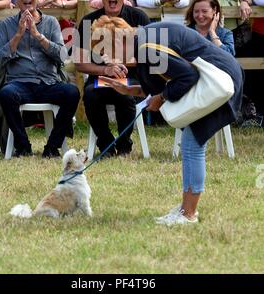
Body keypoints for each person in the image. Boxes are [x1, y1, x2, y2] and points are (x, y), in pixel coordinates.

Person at [98, 20, 243, 225]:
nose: (109, 59)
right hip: (214, 79)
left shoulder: (145, 48)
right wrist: (134, 90)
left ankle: (188, 214)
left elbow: (187, 76)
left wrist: (162, 97)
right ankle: (186, 207)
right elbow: (170, 78)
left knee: (192, 145)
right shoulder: (141, 45)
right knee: (190, 144)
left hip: (220, 81)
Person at [0, 0, 80, 158]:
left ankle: (52, 147)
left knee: (72, 92)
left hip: (48, 82)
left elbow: (62, 56)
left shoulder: (51, 22)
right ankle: (23, 146)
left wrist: (37, 34)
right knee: (6, 94)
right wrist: (18, 35)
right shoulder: (6, 25)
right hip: (20, 83)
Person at [74, 0, 150, 157]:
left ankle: (124, 144)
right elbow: (79, 62)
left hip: (131, 77)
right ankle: (106, 143)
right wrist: (106, 68)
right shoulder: (87, 21)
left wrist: (125, 63)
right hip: (99, 77)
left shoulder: (139, 18)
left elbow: (151, 55)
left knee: (125, 96)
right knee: (91, 95)